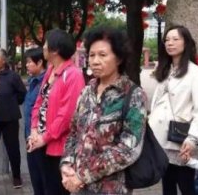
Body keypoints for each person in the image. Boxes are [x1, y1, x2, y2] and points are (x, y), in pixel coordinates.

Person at [60, 26, 147, 195]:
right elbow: (73, 133)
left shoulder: (133, 95)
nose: (95, 61)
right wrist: (66, 165)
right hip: (78, 186)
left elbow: (127, 150)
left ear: (119, 58)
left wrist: (83, 175)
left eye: (102, 55)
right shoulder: (86, 92)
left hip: (111, 189)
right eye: (92, 55)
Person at [149, 25, 198, 195]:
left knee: (186, 185)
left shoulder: (196, 73)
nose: (170, 43)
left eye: (175, 39)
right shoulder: (164, 70)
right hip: (161, 136)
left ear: (186, 43)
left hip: (181, 139)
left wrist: (192, 139)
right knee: (167, 186)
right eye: (167, 40)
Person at [28, 29, 85, 195]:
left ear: (55, 50)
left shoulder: (73, 75)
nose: (43, 47)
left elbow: (67, 116)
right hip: (40, 141)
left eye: (46, 43)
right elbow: (39, 101)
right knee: (41, 186)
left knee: (55, 189)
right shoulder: (50, 70)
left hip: (57, 146)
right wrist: (33, 130)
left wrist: (44, 137)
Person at [0, 48, 27, 188]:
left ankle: (16, 176)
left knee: (13, 148)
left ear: (3, 60)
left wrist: (11, 104)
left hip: (10, 118)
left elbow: (22, 94)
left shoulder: (13, 76)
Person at [23, 47, 47, 195]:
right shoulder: (33, 81)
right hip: (30, 138)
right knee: (35, 180)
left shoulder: (46, 83)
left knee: (43, 181)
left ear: (39, 62)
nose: (26, 65)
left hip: (41, 140)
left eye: (29, 62)